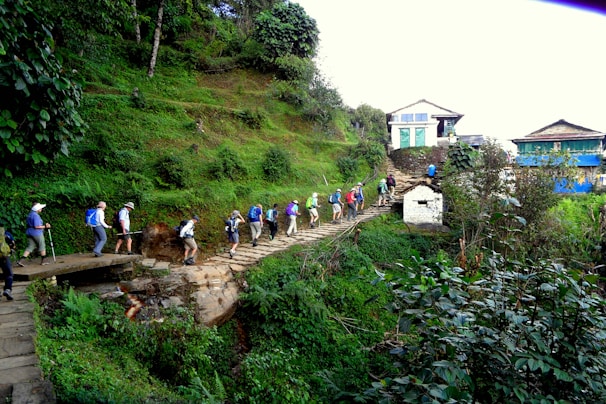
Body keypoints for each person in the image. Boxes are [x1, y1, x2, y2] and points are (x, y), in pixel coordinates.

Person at [0, 224, 15, 300]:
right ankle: (7, 290)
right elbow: (12, 244)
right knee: (8, 274)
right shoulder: (6, 234)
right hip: (4, 256)